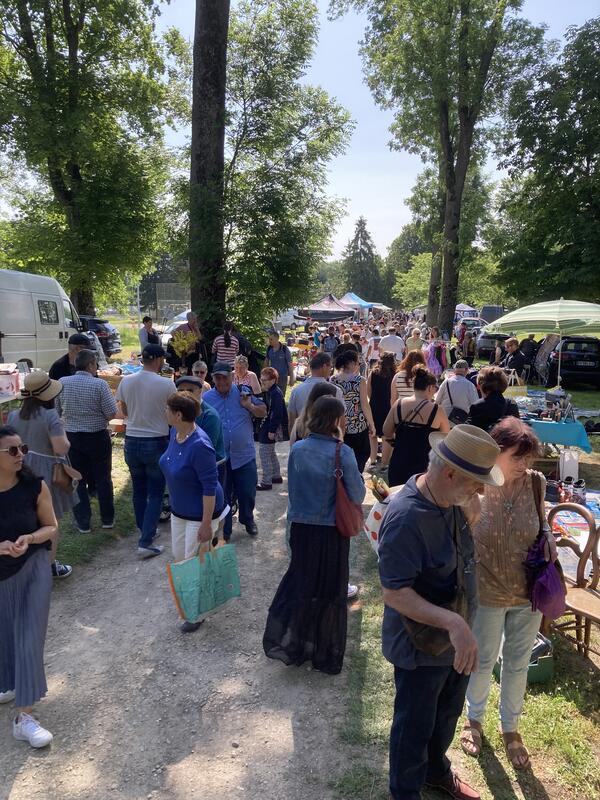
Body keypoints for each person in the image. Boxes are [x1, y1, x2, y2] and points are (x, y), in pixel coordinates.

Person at [378, 424, 504, 800]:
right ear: (449, 472)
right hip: (422, 644)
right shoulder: (405, 518)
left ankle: (436, 770)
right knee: (413, 726)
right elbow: (395, 593)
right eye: (475, 482)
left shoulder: (449, 496)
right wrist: (452, 622)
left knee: (446, 714)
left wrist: (470, 500)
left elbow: (469, 527)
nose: (481, 490)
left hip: (457, 635)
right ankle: (406, 791)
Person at [462, 418, 556, 771]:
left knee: (517, 663)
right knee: (483, 660)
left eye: (528, 459)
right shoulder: (476, 482)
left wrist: (547, 535)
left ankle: (511, 728)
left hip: (527, 590)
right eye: (517, 457)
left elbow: (542, 520)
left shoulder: (536, 483)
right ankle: (474, 719)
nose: (524, 466)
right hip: (486, 588)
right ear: (496, 451)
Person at [263, 396, 365, 674]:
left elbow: (293, 494)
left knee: (303, 585)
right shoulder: (342, 453)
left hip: (302, 528)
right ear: (335, 420)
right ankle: (325, 651)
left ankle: (295, 642)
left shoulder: (298, 449)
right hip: (331, 532)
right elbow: (358, 494)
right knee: (331, 589)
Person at [0, 426, 59, 748]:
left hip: (34, 565)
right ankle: (8, 682)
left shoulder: (34, 485)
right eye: (12, 451)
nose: (21, 455)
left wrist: (30, 538)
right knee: (5, 633)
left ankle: (24, 717)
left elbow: (51, 527)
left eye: (21, 448)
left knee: (29, 637)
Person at [160, 392, 225, 632]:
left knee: (192, 562)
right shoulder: (173, 433)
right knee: (181, 559)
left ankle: (196, 613)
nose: (164, 413)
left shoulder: (201, 446)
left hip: (201, 514)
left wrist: (207, 524)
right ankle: (194, 598)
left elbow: (209, 487)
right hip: (179, 510)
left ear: (178, 414)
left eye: (167, 409)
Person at [8, 372, 73, 579]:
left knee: (25, 518)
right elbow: (60, 447)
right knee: (49, 522)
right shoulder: (50, 416)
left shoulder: (13, 415)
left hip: (19, 468)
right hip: (45, 470)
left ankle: (26, 563)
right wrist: (63, 430)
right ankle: (50, 566)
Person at [116, 344, 175, 558]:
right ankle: (145, 540)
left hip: (132, 440)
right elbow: (173, 412)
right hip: (155, 441)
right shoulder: (166, 384)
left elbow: (123, 410)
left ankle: (146, 530)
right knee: (156, 493)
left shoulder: (127, 380)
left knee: (139, 490)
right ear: (158, 359)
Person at [56, 349, 117, 534]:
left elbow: (57, 411)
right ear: (91, 364)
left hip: (72, 437)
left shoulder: (62, 383)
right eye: (96, 364)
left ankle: (83, 522)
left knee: (77, 479)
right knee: (103, 478)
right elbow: (112, 413)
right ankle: (107, 519)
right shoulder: (99, 385)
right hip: (97, 436)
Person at [203, 362, 266, 540]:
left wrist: (249, 407)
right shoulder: (206, 399)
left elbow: (263, 411)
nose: (222, 381)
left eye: (225, 377)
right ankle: (226, 529)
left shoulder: (243, 392)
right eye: (218, 378)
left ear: (232, 377)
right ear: (213, 379)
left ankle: (248, 519)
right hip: (220, 458)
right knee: (222, 495)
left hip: (244, 455)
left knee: (247, 492)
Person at [384, 366, 450, 488]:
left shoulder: (398, 404)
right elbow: (445, 438)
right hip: (424, 468)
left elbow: (386, 431)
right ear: (430, 387)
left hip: (399, 461)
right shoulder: (437, 410)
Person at [331, 350, 376, 474]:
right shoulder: (359, 380)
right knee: (362, 453)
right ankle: (356, 476)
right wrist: (371, 424)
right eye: (357, 362)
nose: (358, 365)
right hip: (358, 425)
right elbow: (365, 405)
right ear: (351, 363)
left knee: (342, 455)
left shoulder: (333, 379)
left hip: (339, 425)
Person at [287, 352, 343, 430]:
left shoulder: (296, 391)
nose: (331, 370)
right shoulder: (336, 391)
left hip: (302, 437)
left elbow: (291, 421)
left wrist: (293, 440)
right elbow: (341, 421)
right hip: (327, 437)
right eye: (330, 366)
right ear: (324, 367)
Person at [174, 376, 225, 461]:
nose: (185, 394)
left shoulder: (209, 415)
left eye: (190, 391)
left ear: (200, 391)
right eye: (181, 391)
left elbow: (205, 450)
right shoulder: (179, 412)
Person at [256, 367, 286, 491]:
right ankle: (276, 475)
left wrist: (272, 430)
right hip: (268, 426)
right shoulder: (271, 392)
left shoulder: (275, 394)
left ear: (273, 380)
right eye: (261, 380)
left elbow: (276, 413)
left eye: (265, 380)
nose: (262, 382)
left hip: (269, 427)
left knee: (264, 453)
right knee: (270, 452)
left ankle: (266, 481)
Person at [468, 366, 520, 433]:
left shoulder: (478, 406)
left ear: (480, 385)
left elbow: (468, 432)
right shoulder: (512, 404)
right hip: (506, 442)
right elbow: (517, 431)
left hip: (485, 442)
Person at [367, 352, 396, 469]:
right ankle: (385, 462)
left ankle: (373, 459)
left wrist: (373, 399)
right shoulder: (395, 374)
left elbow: (368, 389)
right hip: (388, 407)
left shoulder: (373, 373)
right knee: (386, 436)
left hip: (374, 405)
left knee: (372, 434)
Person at [265, 331, 294, 396]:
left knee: (280, 396)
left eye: (271, 339)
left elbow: (290, 365)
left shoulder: (284, 349)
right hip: (272, 377)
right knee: (270, 395)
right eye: (269, 339)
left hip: (282, 377)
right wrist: (264, 374)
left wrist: (292, 378)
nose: (269, 341)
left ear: (277, 339)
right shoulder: (269, 348)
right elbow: (266, 362)